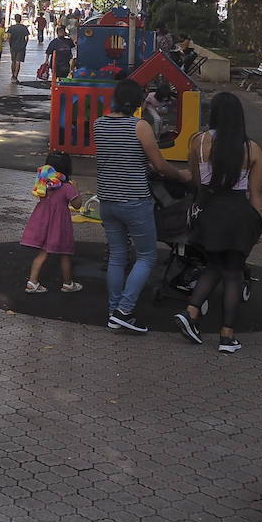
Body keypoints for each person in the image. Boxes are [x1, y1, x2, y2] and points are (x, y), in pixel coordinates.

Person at [93, 79, 192, 333]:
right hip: (134, 201)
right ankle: (124, 310)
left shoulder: (99, 124)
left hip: (107, 201)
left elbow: (117, 156)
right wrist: (181, 176)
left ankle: (114, 311)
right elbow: (159, 165)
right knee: (147, 255)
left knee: (117, 256)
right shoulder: (140, 126)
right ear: (137, 101)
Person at [174, 93, 262, 353]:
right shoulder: (252, 149)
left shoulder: (199, 141)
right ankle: (227, 337)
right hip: (238, 214)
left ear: (212, 113)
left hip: (209, 211)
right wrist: (256, 225)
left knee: (214, 264)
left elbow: (197, 181)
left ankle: (191, 312)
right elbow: (255, 196)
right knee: (234, 273)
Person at [21, 152, 82, 293]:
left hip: (43, 222)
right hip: (59, 225)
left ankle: (32, 282)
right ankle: (68, 284)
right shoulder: (67, 187)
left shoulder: (43, 185)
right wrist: (76, 189)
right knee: (65, 253)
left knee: (43, 253)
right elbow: (77, 204)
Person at [5, 15, 30, 83]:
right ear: (20, 19)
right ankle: (16, 75)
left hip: (13, 46)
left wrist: (10, 44)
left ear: (15, 19)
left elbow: (9, 37)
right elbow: (27, 38)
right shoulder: (24, 27)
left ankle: (13, 75)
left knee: (13, 61)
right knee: (18, 62)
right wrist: (25, 44)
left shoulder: (12, 27)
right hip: (21, 47)